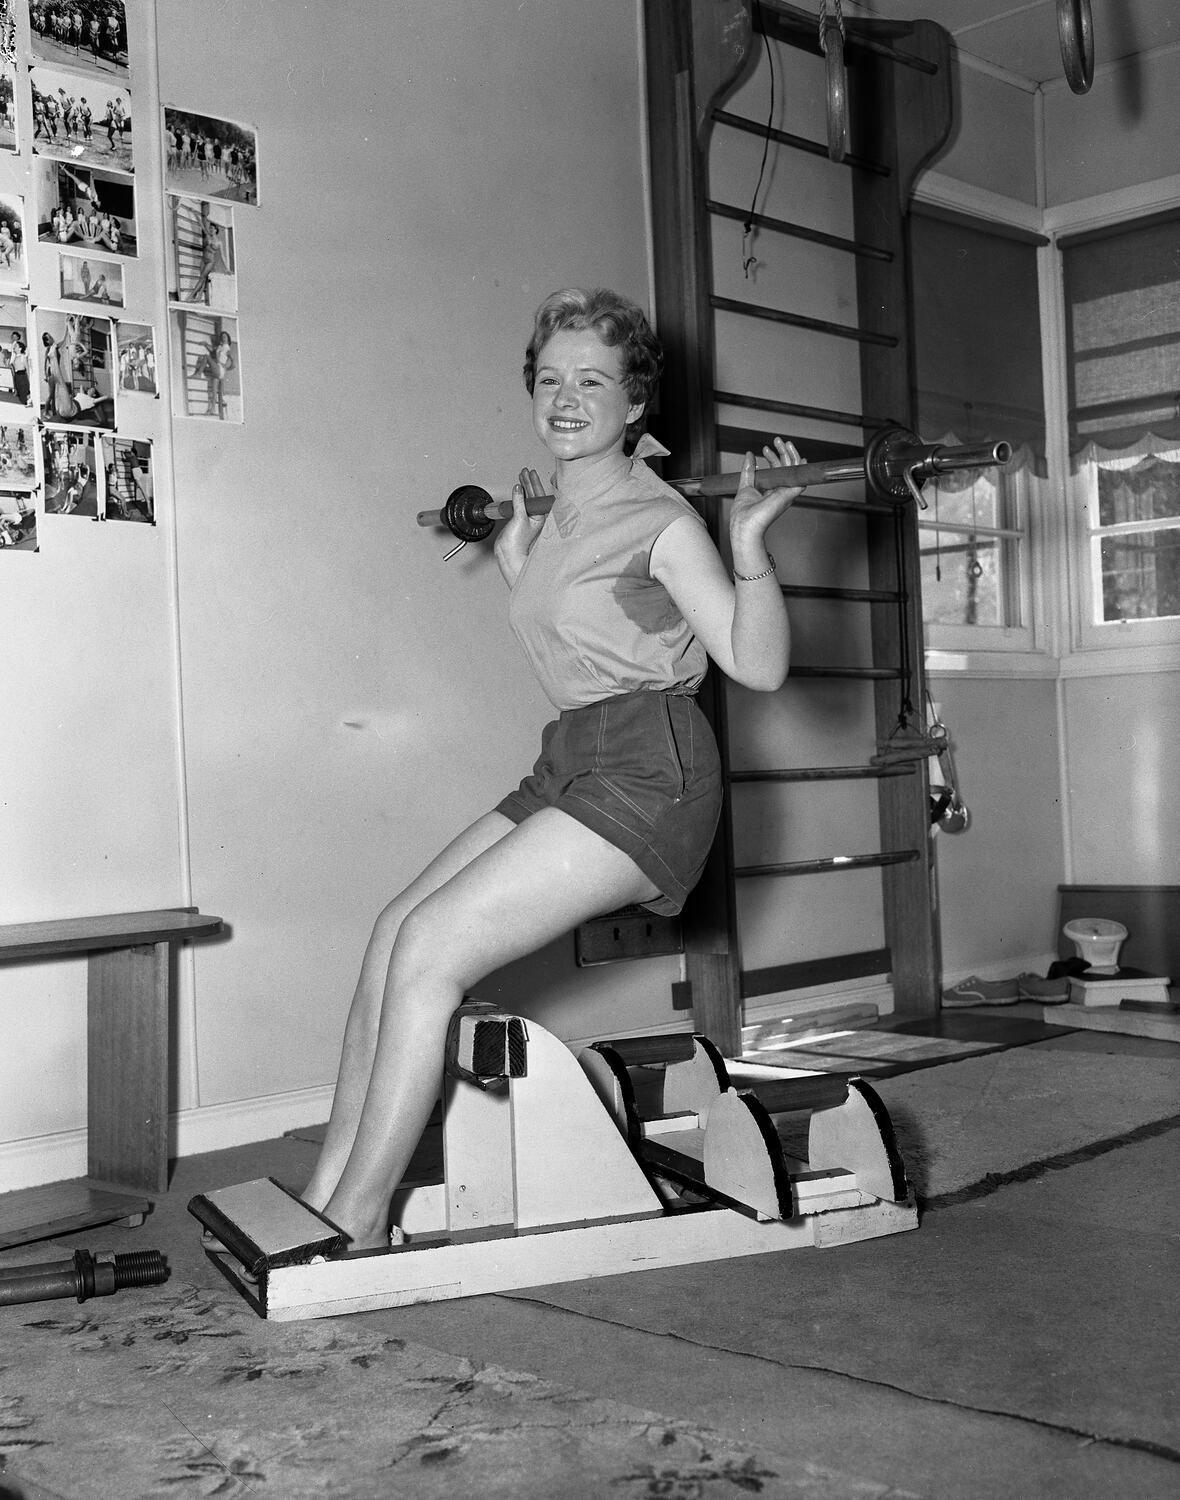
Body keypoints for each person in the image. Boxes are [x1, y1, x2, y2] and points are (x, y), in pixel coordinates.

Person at [298, 286, 805, 1252]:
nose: (565, 398)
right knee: (392, 929)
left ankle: (357, 1222)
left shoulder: (661, 520)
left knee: (434, 949)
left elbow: (757, 662)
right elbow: (567, 628)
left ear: (635, 404)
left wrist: (747, 547)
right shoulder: (558, 513)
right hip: (572, 754)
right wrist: (515, 548)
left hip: (650, 767)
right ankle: (325, 1187)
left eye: (592, 381)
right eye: (548, 379)